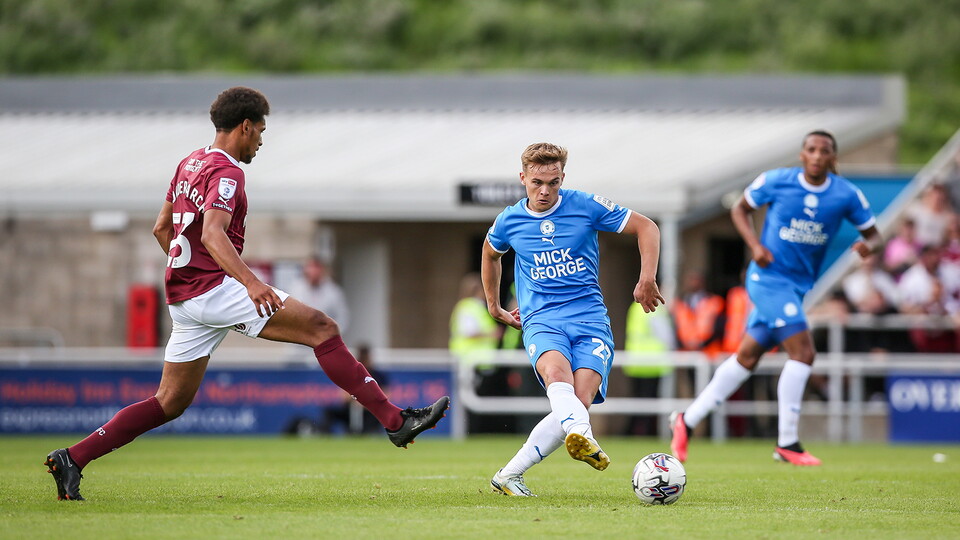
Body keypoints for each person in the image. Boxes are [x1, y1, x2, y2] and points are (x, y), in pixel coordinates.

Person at [43, 87, 449, 501]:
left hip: (185, 298)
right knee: (322, 329)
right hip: (213, 289)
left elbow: (162, 229)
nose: (261, 140)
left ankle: (73, 457)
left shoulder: (189, 163)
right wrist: (251, 283)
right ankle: (395, 421)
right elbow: (213, 233)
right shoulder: (228, 172)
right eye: (260, 130)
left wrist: (189, 269)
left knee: (169, 402)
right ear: (245, 126)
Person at [670, 130, 882, 467]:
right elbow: (739, 210)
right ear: (802, 155)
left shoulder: (846, 195)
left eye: (823, 150)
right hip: (767, 279)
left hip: (798, 286)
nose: (816, 155)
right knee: (803, 352)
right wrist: (755, 247)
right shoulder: (777, 181)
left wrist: (867, 246)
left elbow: (874, 234)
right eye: (810, 149)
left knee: (747, 357)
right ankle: (788, 442)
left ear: (832, 158)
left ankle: (687, 420)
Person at [482, 142, 664, 496]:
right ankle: (586, 435)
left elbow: (648, 228)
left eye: (553, 182)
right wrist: (494, 305)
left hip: (590, 318)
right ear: (523, 178)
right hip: (542, 317)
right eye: (537, 182)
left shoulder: (585, 205)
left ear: (563, 177)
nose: (545, 190)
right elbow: (491, 254)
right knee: (556, 376)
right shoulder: (509, 220)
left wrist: (646, 277)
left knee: (577, 402)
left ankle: (509, 474)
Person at [622, 302, 675, 436]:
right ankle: (646, 432)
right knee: (650, 401)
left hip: (635, 361)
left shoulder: (634, 307)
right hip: (653, 362)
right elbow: (665, 335)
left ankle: (632, 431)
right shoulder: (655, 306)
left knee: (637, 399)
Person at [289, 256, 350, 334]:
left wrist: (332, 334)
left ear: (322, 270)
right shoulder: (295, 288)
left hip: (325, 339)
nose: (313, 271)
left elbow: (343, 317)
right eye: (311, 267)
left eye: (316, 267)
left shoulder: (333, 291)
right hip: (299, 340)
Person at [672, 270, 726, 357]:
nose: (693, 283)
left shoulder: (714, 301)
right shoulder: (681, 302)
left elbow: (719, 326)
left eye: (696, 279)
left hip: (709, 352)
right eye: (691, 279)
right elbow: (676, 326)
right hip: (687, 352)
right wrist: (684, 344)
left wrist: (703, 343)